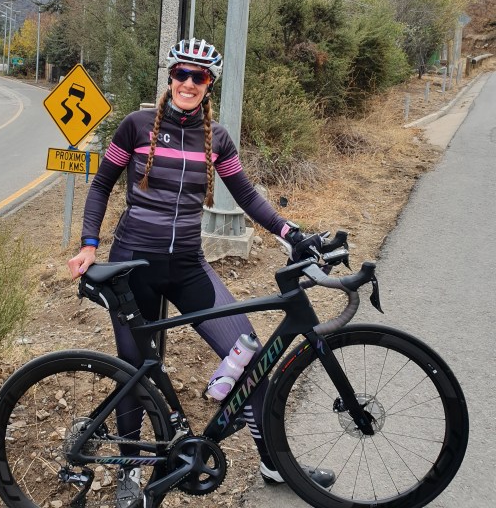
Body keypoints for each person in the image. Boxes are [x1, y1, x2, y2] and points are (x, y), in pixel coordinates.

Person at [68, 38, 335, 507]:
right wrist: (90, 244)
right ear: (171, 77)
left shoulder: (218, 139)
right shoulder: (135, 127)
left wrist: (291, 233)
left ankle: (274, 461)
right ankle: (129, 470)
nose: (189, 83)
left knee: (249, 357)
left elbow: (246, 195)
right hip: (133, 265)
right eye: (182, 74)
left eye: (200, 77)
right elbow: (101, 185)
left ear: (209, 84)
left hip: (189, 265)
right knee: (133, 370)